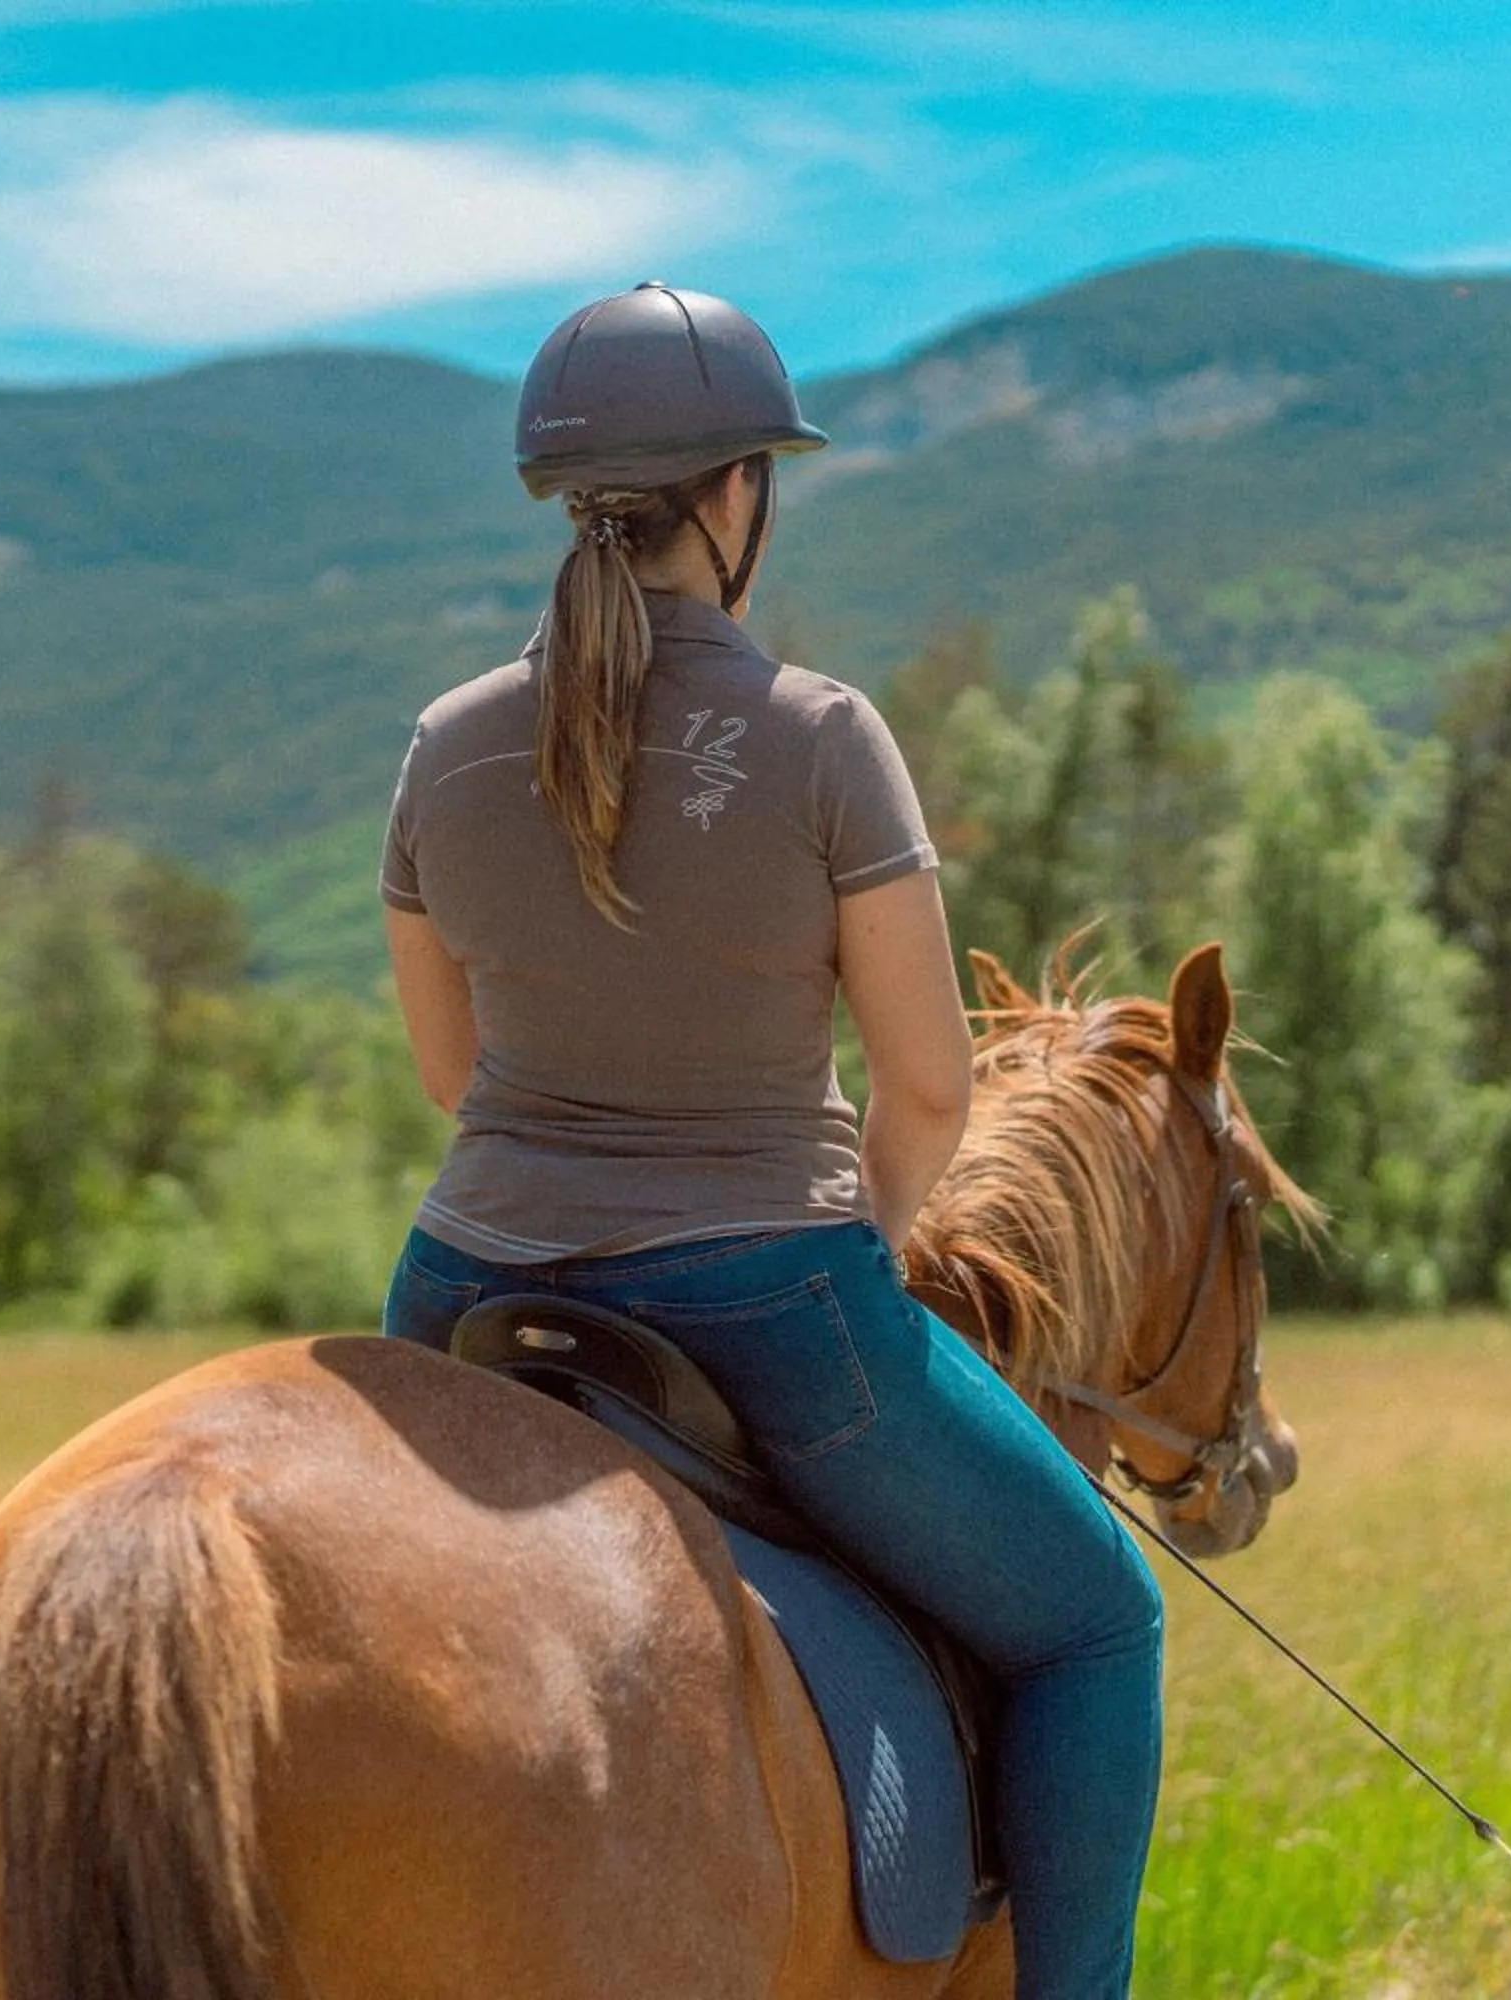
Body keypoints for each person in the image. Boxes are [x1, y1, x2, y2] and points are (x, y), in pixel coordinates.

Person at [376, 280, 1165, 2000]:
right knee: (1103, 1623)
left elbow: (453, 1074)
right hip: (767, 1296)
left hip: (462, 1291)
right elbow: (935, 1088)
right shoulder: (823, 737)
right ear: (741, 496)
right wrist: (867, 1226)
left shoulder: (442, 747)